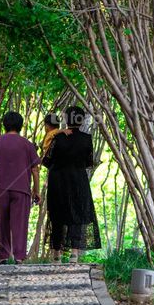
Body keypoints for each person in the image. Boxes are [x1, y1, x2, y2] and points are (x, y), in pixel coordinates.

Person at [42, 106, 101, 263]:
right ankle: (74, 253)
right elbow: (89, 162)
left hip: (58, 181)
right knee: (77, 214)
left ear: (66, 120)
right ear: (81, 121)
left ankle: (57, 254)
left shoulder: (57, 137)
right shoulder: (87, 139)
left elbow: (46, 160)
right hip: (78, 180)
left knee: (57, 215)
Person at [0, 111, 41, 264]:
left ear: (4, 125)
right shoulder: (27, 144)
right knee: (20, 223)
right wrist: (37, 190)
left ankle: (3, 256)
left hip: (0, 188)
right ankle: (19, 257)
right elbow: (35, 170)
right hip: (21, 189)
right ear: (20, 126)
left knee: (1, 222)